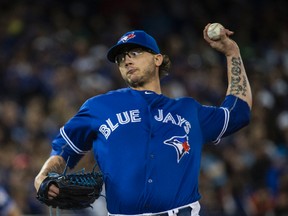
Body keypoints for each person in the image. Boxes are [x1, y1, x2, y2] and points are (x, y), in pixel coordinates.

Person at [34, 23, 252, 216]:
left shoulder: (188, 110)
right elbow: (64, 149)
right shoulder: (99, 107)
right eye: (121, 58)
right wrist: (44, 176)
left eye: (135, 52)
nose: (127, 60)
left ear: (158, 59)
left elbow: (239, 112)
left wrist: (232, 52)